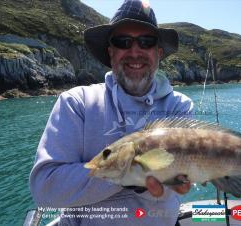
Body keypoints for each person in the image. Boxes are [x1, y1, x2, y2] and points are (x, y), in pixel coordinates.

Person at [29, 0, 194, 225]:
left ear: (158, 52)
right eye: (122, 41)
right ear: (111, 52)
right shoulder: (76, 103)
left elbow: (175, 183)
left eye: (146, 41)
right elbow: (46, 189)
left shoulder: (179, 107)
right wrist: (128, 171)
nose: (135, 51)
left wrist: (128, 171)